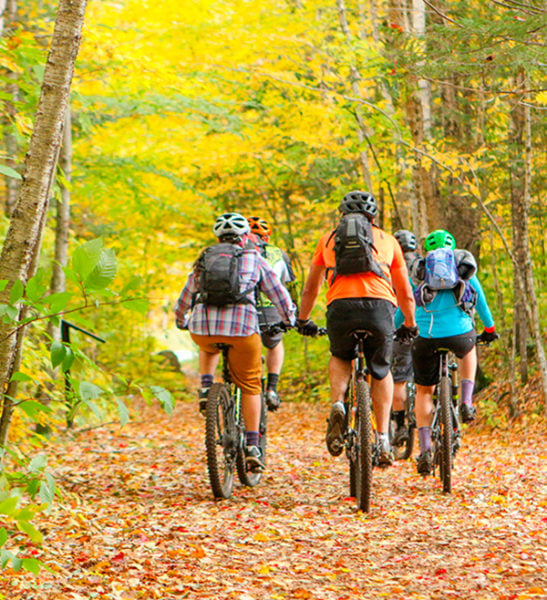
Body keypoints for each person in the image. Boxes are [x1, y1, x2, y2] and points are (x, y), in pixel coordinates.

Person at [296, 191, 418, 466]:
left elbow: (311, 287)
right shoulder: (388, 241)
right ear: (373, 216)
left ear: (342, 215)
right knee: (381, 368)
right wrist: (410, 323)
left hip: (341, 307)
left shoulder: (328, 240)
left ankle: (338, 403)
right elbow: (405, 291)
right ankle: (383, 437)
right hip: (380, 309)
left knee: (341, 355)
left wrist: (303, 320)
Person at [175, 212, 296, 471]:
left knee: (208, 345)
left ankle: (207, 387)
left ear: (218, 237)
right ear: (245, 236)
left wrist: (181, 319)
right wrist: (290, 319)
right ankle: (253, 445)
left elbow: (186, 295)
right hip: (242, 329)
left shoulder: (205, 258)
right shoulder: (254, 258)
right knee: (251, 385)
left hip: (203, 327)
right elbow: (279, 293)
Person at [404, 229, 499, 476]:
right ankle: (466, 402)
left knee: (424, 391)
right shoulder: (462, 267)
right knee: (468, 351)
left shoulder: (420, 270)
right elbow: (481, 301)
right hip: (460, 333)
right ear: (453, 247)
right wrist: (489, 329)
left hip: (426, 337)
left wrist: (400, 328)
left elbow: (408, 301)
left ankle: (424, 451)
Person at [247, 216, 299, 412]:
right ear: (266, 238)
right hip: (272, 310)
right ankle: (272, 388)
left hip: (243, 309)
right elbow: (291, 285)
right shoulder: (278, 254)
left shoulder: (238, 252)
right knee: (275, 343)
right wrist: (297, 311)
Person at [391, 229, 421, 447]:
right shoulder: (425, 265)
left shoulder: (392, 266)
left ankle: (400, 425)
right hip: (426, 328)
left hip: (400, 326)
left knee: (398, 377)